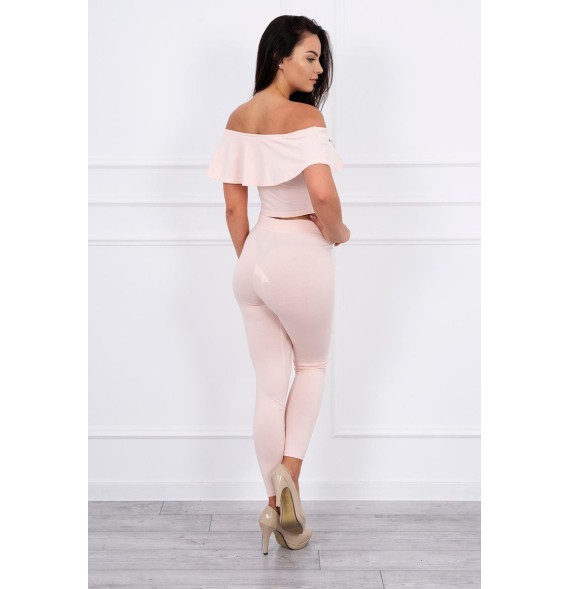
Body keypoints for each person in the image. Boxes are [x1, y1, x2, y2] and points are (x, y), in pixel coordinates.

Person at [207, 15, 350, 555]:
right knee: (311, 367)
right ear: (279, 56)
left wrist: (255, 264)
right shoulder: (306, 117)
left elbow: (233, 209)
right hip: (300, 255)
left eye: (321, 60)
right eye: (310, 57)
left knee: (269, 388)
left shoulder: (238, 117)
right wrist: (339, 233)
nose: (318, 70)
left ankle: (276, 508)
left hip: (254, 260)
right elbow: (323, 196)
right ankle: (289, 475)